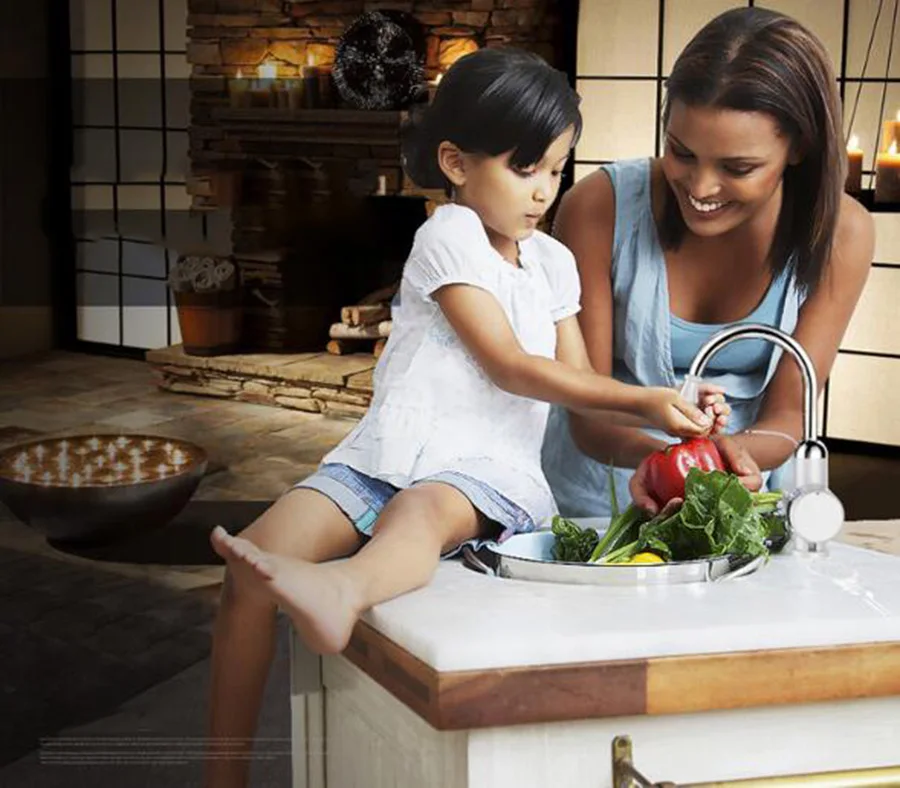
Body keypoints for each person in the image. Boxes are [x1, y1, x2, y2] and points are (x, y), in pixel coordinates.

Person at [203, 47, 724, 788]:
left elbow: (576, 387)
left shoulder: (552, 266)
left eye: (556, 169)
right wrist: (645, 397)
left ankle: (343, 592)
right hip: (379, 455)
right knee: (250, 565)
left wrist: (667, 426)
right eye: (525, 169)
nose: (544, 192)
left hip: (483, 473)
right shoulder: (447, 235)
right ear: (454, 161)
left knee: (417, 514)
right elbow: (507, 364)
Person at [542, 7, 874, 518]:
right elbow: (587, 407)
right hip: (596, 494)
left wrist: (717, 468)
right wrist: (669, 463)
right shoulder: (597, 208)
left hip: (741, 493)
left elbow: (788, 413)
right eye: (682, 152)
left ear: (800, 147)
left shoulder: (841, 234)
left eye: (738, 167)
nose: (700, 189)